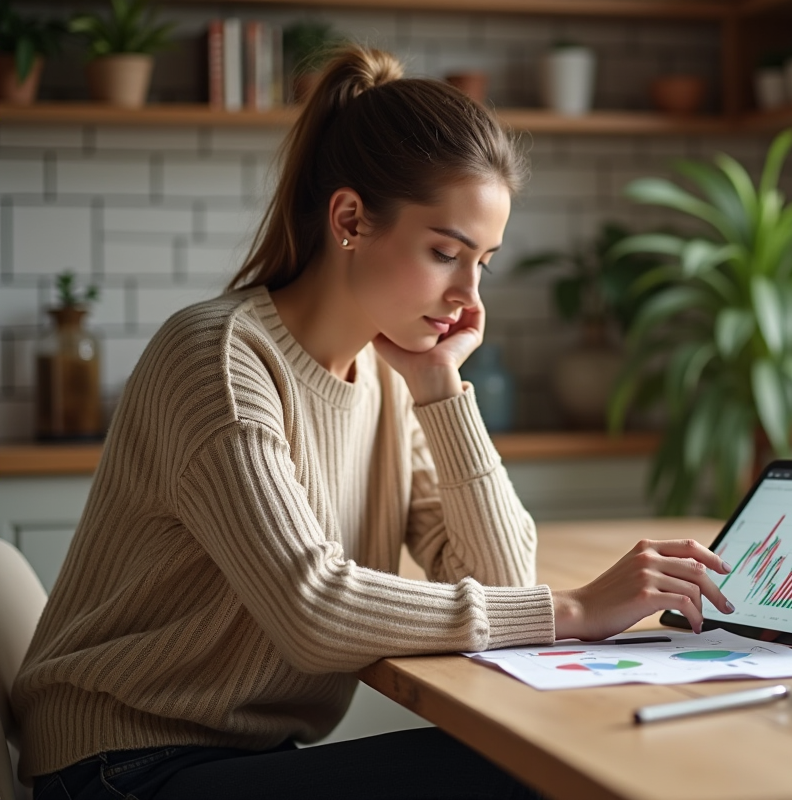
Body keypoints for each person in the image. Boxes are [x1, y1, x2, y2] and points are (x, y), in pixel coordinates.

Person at [11, 46, 735, 800]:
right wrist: (577, 608)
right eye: (445, 252)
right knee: (533, 768)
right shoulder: (220, 360)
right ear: (350, 219)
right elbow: (313, 609)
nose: (469, 296)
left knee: (533, 756)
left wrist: (440, 388)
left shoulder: (389, 378)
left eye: (483, 262)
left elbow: (501, 582)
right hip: (121, 764)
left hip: (240, 755)